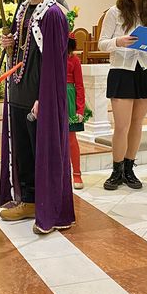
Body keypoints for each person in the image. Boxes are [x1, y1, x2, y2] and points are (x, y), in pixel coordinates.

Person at [0, 0, 75, 235]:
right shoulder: (23, 10)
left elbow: (54, 63)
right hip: (19, 92)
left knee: (43, 153)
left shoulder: (53, 14)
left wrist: (44, 98)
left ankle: (50, 210)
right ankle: (29, 201)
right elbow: (22, 50)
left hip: (38, 97)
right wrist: (9, 44)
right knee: (24, 153)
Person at [98, 0, 147, 191]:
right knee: (121, 126)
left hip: (145, 71)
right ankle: (116, 171)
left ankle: (129, 169)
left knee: (137, 124)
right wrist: (119, 41)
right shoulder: (114, 12)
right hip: (122, 71)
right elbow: (102, 43)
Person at [67, 32, 85, 189]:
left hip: (69, 100)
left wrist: (80, 109)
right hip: (53, 97)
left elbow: (79, 86)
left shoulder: (75, 60)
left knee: (71, 139)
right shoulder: (50, 58)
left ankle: (77, 174)